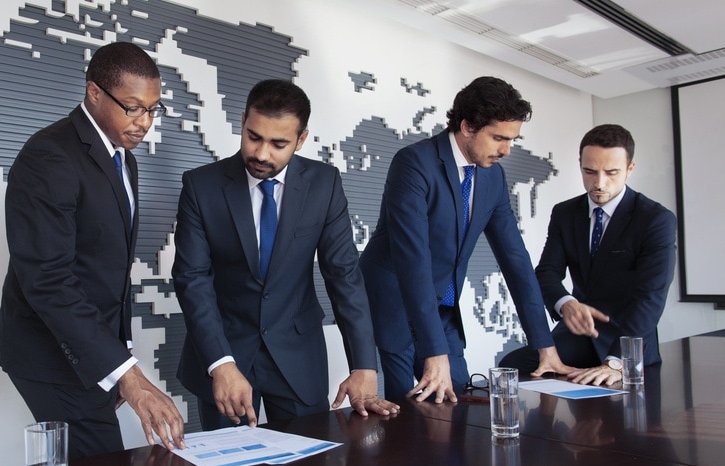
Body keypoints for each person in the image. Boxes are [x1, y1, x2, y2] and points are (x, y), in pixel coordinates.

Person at [0, 42, 185, 459]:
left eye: (153, 109)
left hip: (92, 356)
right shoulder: (49, 157)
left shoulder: (121, 155)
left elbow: (105, 272)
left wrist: (117, 362)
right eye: (133, 107)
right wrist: (126, 375)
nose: (144, 122)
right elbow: (48, 281)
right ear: (94, 92)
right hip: (50, 353)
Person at [173, 79, 398, 430]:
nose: (262, 154)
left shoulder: (324, 183)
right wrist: (220, 363)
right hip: (226, 354)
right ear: (244, 119)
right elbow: (192, 279)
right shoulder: (200, 187)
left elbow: (344, 276)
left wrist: (364, 366)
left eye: (279, 144)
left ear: (301, 139)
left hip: (298, 357)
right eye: (254, 137)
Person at [359, 76, 560, 404]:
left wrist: (544, 345)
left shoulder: (492, 175)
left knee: (457, 398)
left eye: (512, 139)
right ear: (467, 126)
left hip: (443, 305)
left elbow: (515, 258)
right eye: (498, 138)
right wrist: (433, 353)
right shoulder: (414, 164)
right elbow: (414, 258)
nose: (506, 150)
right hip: (395, 299)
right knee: (405, 407)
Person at [498, 124, 676, 386]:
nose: (599, 183)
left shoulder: (655, 219)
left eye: (611, 172)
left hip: (626, 339)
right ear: (580, 165)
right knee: (511, 366)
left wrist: (618, 363)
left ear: (630, 169)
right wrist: (566, 303)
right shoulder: (565, 213)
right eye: (589, 171)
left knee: (623, 418)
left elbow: (650, 298)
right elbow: (547, 273)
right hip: (577, 335)